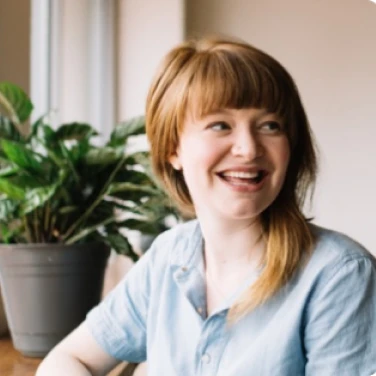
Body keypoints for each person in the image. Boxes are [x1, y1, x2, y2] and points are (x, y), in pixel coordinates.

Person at [37, 36, 376, 376]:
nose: (248, 148)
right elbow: (67, 360)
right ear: (173, 149)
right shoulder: (167, 257)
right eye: (220, 125)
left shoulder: (340, 275)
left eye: (270, 125)